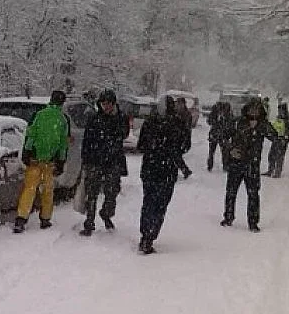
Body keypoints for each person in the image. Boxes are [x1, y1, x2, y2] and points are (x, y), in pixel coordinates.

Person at [136, 95, 187, 254]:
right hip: (165, 171)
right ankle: (150, 235)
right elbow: (185, 146)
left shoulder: (151, 122)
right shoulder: (178, 123)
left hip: (152, 169)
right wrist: (171, 151)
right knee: (159, 205)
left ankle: (146, 235)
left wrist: (153, 148)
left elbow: (141, 145)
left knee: (149, 203)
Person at [13, 90, 70, 233]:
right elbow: (63, 144)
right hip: (50, 161)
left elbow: (31, 135)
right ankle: (45, 219)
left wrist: (27, 152)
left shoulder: (39, 115)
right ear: (62, 103)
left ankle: (21, 219)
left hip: (34, 159)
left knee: (29, 189)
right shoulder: (63, 120)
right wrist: (61, 161)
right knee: (47, 191)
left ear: (50, 100)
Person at [78, 89, 130, 236]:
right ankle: (89, 222)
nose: (106, 106)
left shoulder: (121, 118)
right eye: (103, 104)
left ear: (114, 104)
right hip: (95, 160)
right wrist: (85, 159)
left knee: (112, 192)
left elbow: (124, 134)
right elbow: (87, 140)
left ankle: (106, 213)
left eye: (108, 104)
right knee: (92, 192)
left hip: (113, 161)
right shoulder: (94, 119)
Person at [221, 100, 276, 232]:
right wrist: (230, 149)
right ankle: (228, 217)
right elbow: (223, 137)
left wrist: (262, 125)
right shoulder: (238, 122)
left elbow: (274, 136)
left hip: (253, 165)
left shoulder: (262, 124)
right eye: (251, 109)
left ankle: (253, 222)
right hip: (236, 163)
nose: (254, 112)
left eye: (257, 109)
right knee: (231, 192)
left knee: (253, 194)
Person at [263, 102, 289, 178]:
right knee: (271, 155)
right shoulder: (279, 117)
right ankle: (270, 170)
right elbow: (276, 126)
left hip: (283, 139)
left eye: (280, 109)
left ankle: (278, 171)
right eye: (279, 109)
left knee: (280, 156)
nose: (279, 111)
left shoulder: (288, 118)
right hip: (276, 138)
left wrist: (285, 138)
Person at [206, 101, 233, 171]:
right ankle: (211, 165)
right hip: (217, 134)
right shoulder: (214, 113)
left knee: (223, 152)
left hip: (221, 135)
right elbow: (209, 121)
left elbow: (230, 124)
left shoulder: (227, 114)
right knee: (213, 151)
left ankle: (224, 165)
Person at [173, 97, 193, 179]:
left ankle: (184, 170)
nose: (178, 106)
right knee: (176, 156)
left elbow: (187, 128)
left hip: (182, 139)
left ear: (183, 104)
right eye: (177, 104)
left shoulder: (187, 114)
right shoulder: (175, 113)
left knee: (176, 156)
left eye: (179, 104)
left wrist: (185, 140)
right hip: (175, 138)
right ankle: (184, 170)